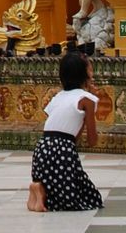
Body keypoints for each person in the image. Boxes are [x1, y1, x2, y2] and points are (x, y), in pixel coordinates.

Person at [27, 51, 103, 213]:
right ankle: (42, 194)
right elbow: (91, 140)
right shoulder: (88, 100)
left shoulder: (58, 96)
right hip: (63, 152)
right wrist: (91, 105)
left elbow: (62, 127)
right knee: (91, 199)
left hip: (41, 151)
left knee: (67, 186)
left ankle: (40, 188)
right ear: (86, 74)